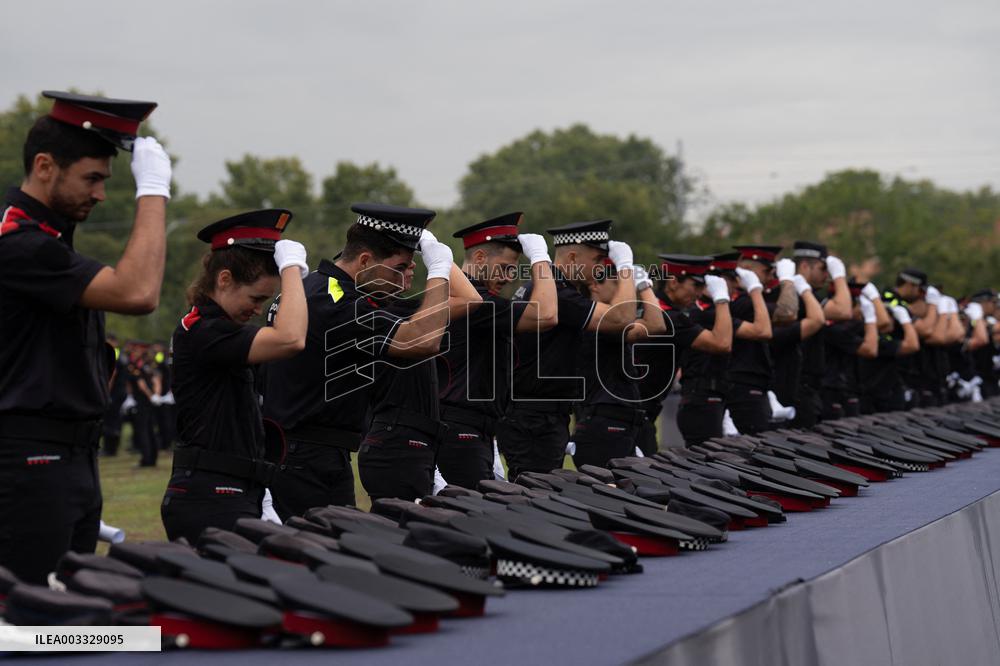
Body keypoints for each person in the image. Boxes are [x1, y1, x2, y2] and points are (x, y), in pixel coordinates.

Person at [0, 91, 170, 583]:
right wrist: (153, 190)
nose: (100, 193)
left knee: (72, 625)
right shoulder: (21, 244)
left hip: (67, 457)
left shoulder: (49, 240)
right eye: (91, 178)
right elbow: (138, 292)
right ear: (45, 166)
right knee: (31, 630)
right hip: (31, 458)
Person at [263, 203, 456, 518]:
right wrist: (438, 270)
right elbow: (423, 340)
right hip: (306, 457)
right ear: (366, 260)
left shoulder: (317, 288)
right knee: (313, 557)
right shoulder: (335, 301)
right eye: (400, 267)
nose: (405, 279)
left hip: (308, 452)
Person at [161, 209, 309, 543]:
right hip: (210, 496)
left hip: (236, 489)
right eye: (256, 298)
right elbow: (291, 339)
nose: (258, 310)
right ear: (224, 279)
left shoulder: (225, 331)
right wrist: (291, 271)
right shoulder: (202, 331)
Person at [497, 219, 639, 481]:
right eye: (597, 259)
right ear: (573, 256)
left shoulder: (553, 290)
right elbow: (622, 318)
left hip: (538, 414)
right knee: (535, 499)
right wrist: (626, 268)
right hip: (535, 418)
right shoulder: (558, 294)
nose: (599, 268)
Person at [357, 228, 482, 502]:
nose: (413, 265)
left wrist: (433, 251)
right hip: (396, 442)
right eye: (402, 264)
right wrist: (437, 262)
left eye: (414, 259)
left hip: (410, 440)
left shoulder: (397, 308)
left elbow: (471, 299)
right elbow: (470, 299)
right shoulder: (382, 312)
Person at [435, 213, 558, 489]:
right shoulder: (477, 304)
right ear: (479, 259)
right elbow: (547, 314)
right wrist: (540, 258)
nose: (509, 276)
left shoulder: (478, 301)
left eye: (514, 269)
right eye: (504, 267)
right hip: (460, 431)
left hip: (477, 430)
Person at [572, 263, 665, 467]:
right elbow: (657, 325)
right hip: (603, 426)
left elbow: (656, 323)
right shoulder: (600, 324)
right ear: (595, 285)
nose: (625, 288)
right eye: (618, 282)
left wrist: (640, 283)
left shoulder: (607, 322)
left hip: (619, 423)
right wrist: (643, 286)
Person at [792, 241, 853, 426]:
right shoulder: (797, 293)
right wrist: (839, 276)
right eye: (822, 269)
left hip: (808, 386)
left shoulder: (808, 295)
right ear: (804, 266)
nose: (827, 276)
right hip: (797, 386)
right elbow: (843, 311)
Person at [723, 246, 777, 434]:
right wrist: (755, 288)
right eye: (767, 271)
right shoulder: (742, 303)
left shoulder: (747, 301)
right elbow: (765, 331)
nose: (771, 277)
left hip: (755, 385)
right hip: (743, 386)